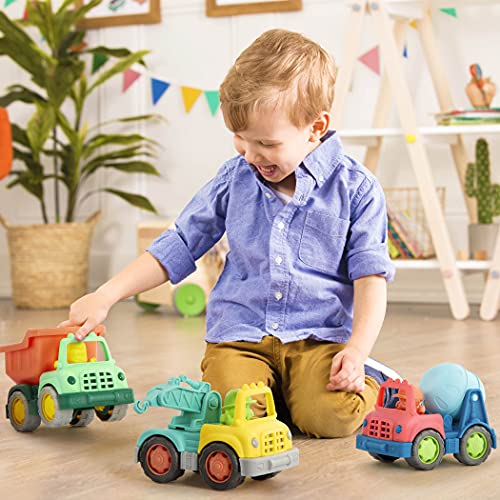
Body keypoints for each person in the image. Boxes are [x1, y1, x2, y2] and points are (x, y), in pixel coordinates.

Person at [59, 28, 400, 438]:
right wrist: (106, 295)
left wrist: (357, 350)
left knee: (331, 418)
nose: (251, 155)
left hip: (317, 339)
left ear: (315, 127)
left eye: (266, 143)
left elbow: (370, 279)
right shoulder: (234, 179)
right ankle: (280, 398)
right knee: (228, 412)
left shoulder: (357, 190)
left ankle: (365, 383)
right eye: (240, 139)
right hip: (241, 337)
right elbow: (179, 243)